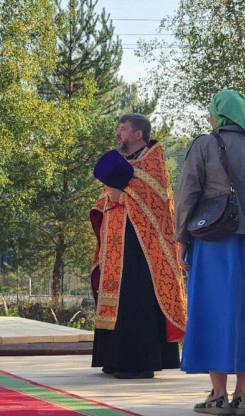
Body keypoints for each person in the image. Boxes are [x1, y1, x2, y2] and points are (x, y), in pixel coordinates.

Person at [173, 90, 245, 414]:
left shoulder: (206, 144)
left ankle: (218, 396)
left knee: (212, 315)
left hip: (212, 244)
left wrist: (182, 239)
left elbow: (187, 193)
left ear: (218, 114)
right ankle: (243, 396)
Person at [89, 113, 187, 379]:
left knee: (136, 298)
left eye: (123, 130)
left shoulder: (153, 161)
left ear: (138, 134)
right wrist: (109, 200)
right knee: (116, 298)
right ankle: (112, 357)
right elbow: (106, 198)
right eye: (118, 129)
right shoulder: (121, 161)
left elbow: (158, 205)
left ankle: (140, 362)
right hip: (115, 244)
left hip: (142, 248)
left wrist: (124, 196)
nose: (118, 134)